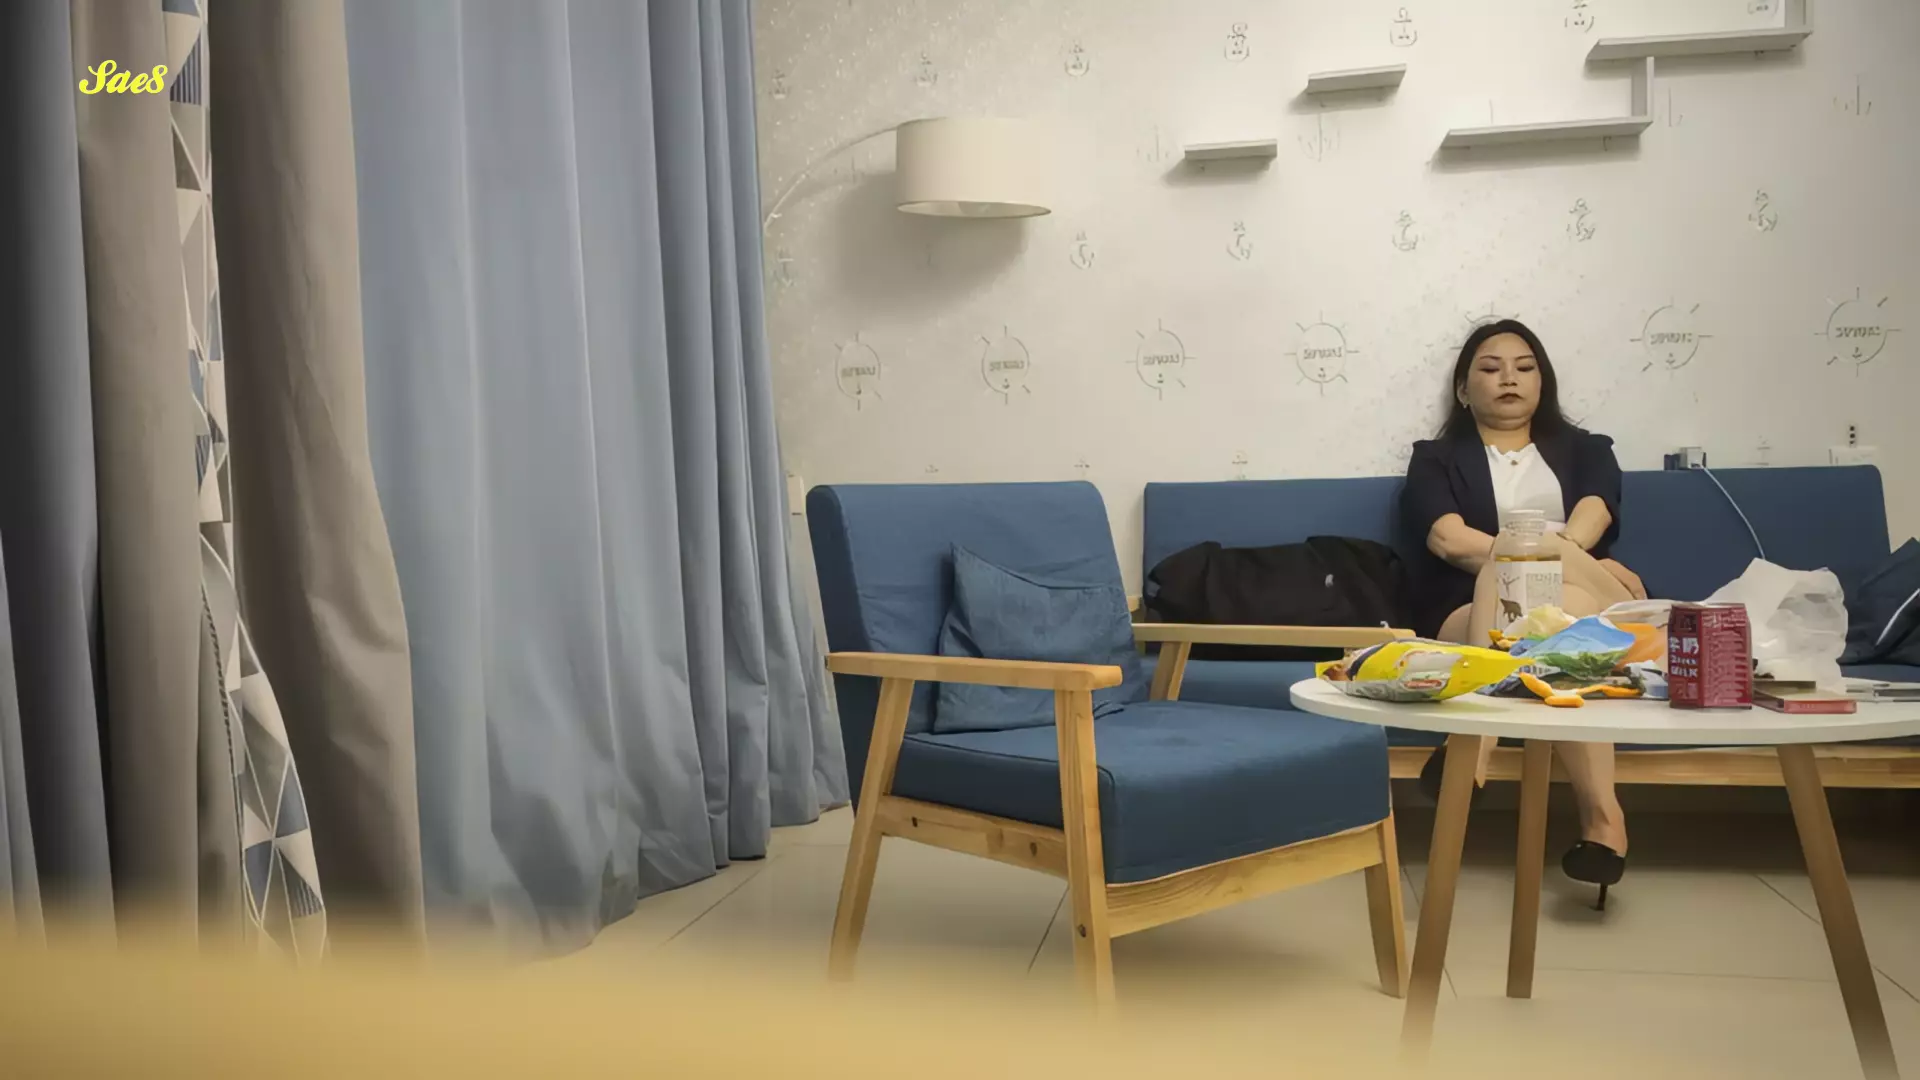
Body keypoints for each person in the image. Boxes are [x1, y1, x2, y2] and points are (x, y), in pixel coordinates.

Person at [1400, 319, 1647, 907]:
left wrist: (1546, 558)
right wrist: (1526, 556)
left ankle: (1475, 746)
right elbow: (1448, 539)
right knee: (1558, 610)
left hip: (1576, 592)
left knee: (1563, 609)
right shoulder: (1435, 458)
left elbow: (1593, 515)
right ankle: (1604, 821)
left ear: (1543, 381)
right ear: (1464, 390)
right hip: (1470, 607)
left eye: (1524, 367)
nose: (1508, 378)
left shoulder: (1588, 449)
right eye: (1490, 368)